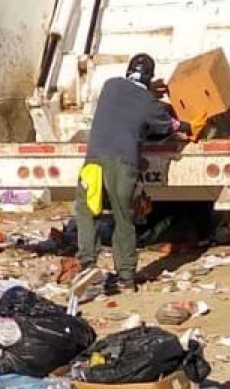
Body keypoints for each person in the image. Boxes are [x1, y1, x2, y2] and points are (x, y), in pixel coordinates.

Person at [73, 53, 180, 295]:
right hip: (122, 163)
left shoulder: (110, 85)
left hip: (94, 162)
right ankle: (125, 278)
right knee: (124, 218)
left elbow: (127, 100)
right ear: (150, 77)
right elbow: (165, 126)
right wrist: (181, 124)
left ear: (128, 70)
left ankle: (88, 269)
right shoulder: (148, 102)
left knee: (87, 211)